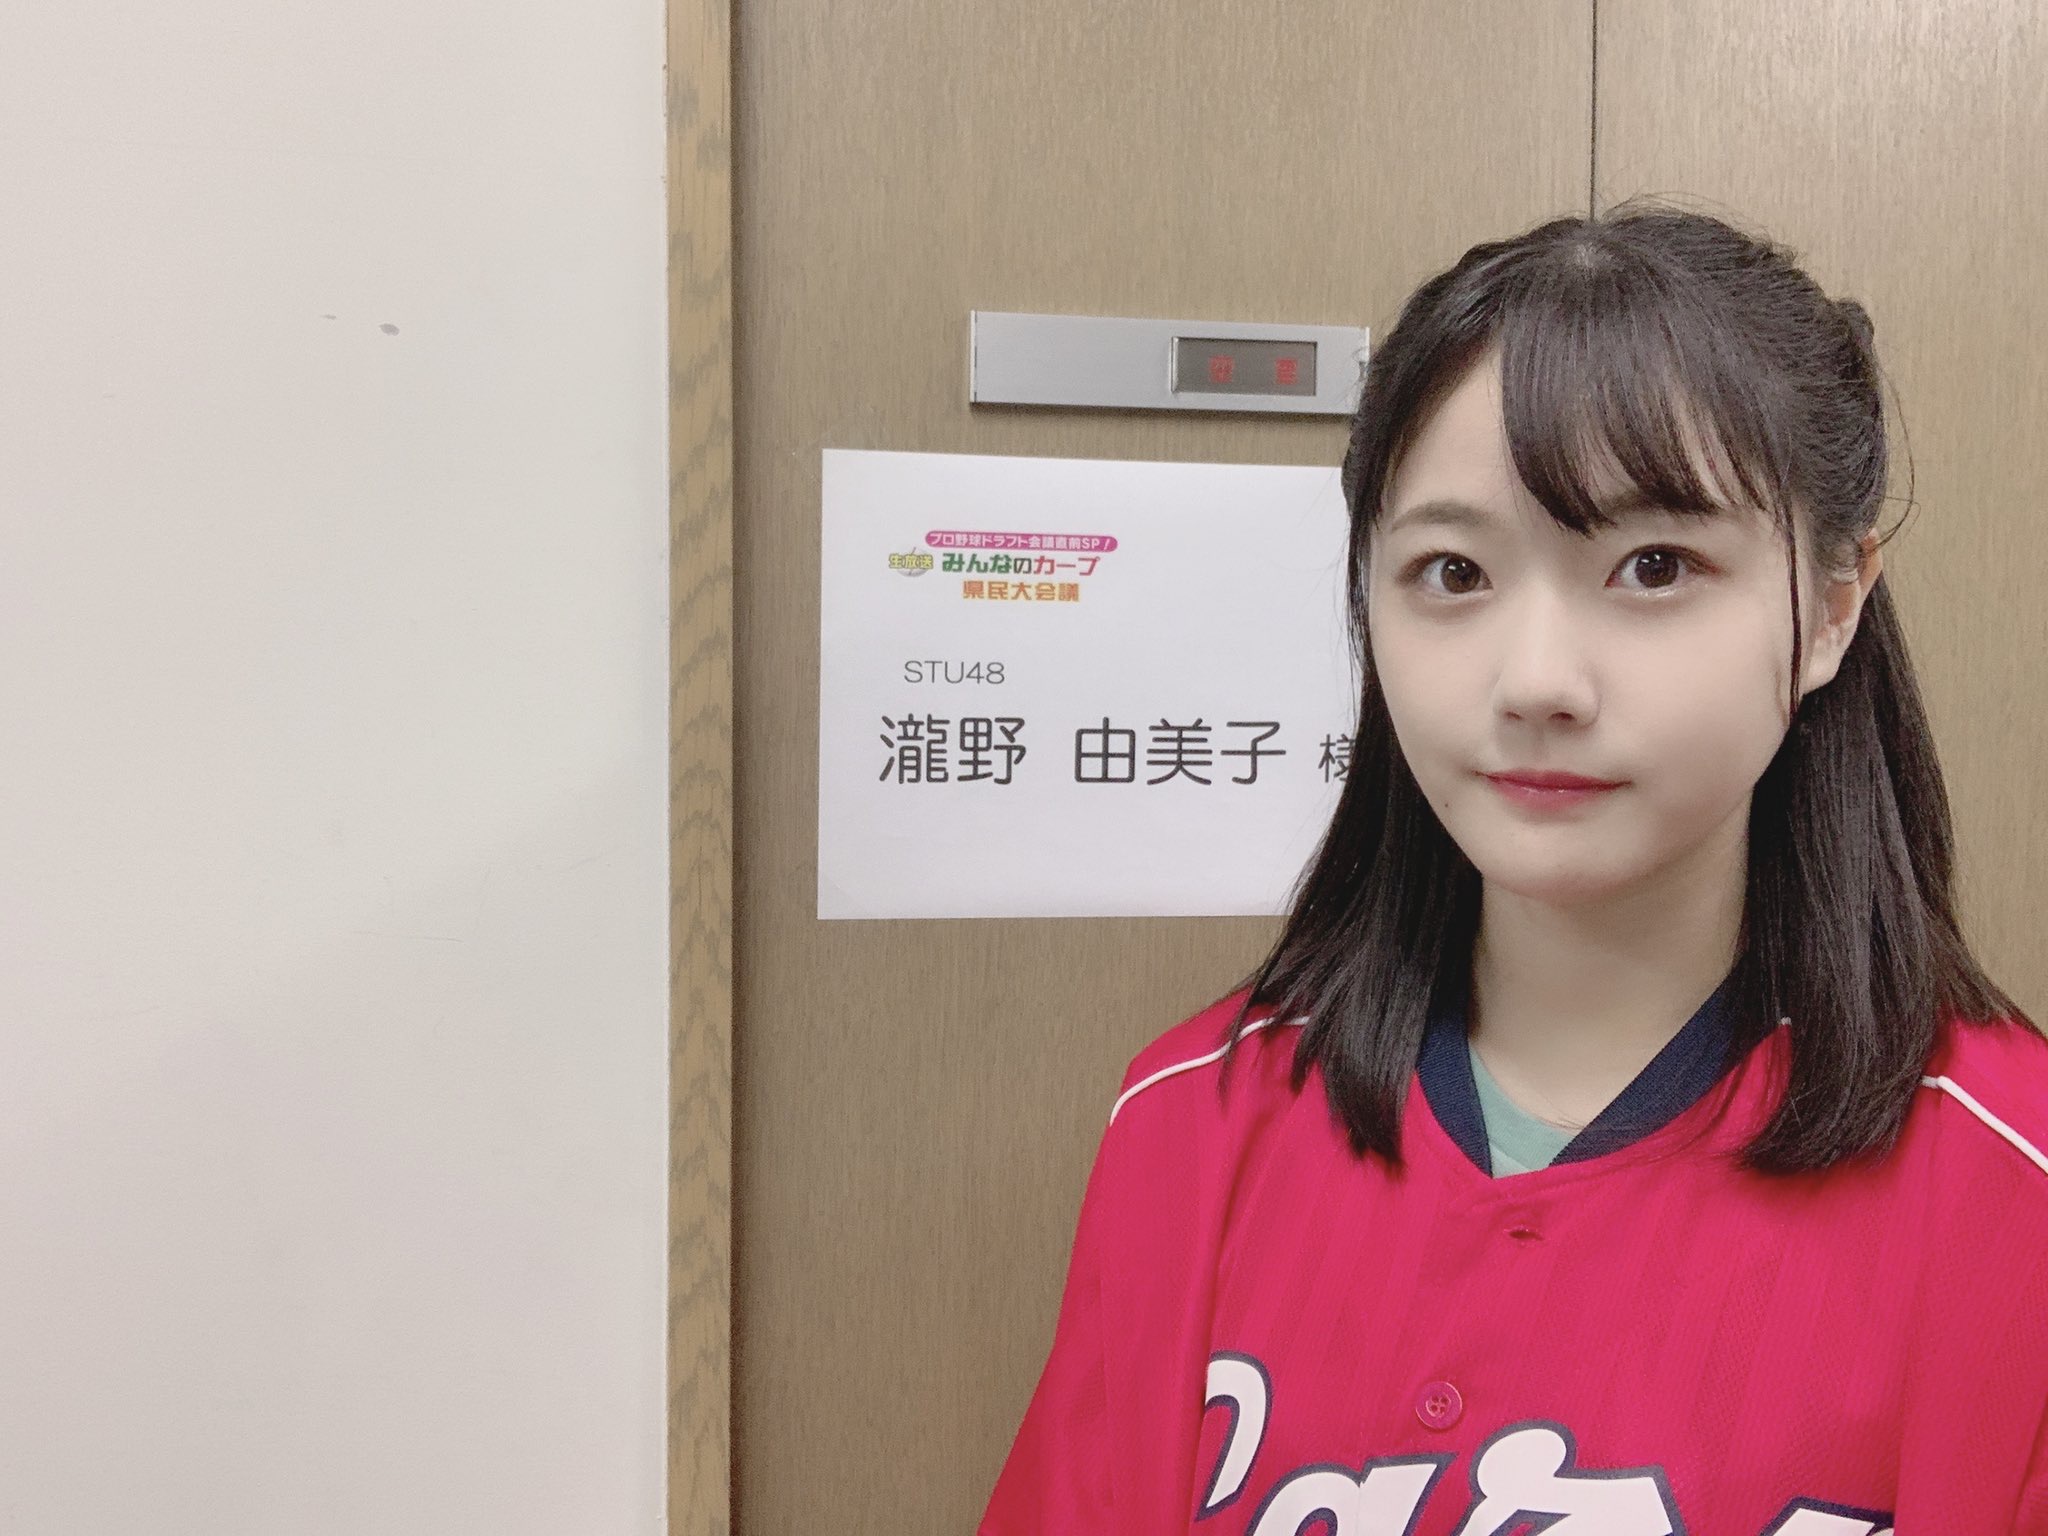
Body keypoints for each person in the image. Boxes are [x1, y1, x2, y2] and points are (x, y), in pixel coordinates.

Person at [978, 201, 2048, 1535]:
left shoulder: (2013, 1187)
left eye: (1653, 566)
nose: (1536, 680)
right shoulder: (1192, 1122)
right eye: (1453, 572)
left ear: (1833, 602)